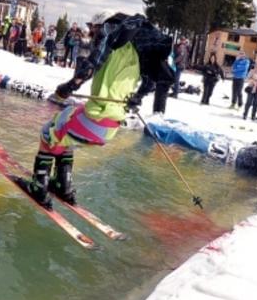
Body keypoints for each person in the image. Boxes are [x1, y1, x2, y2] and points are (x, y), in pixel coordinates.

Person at [28, 11, 174, 209]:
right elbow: (154, 81)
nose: (96, 32)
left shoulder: (111, 43)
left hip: (94, 120)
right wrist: (136, 98)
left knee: (47, 133)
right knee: (66, 128)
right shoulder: (138, 58)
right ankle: (63, 185)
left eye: (97, 28)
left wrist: (68, 87)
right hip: (110, 128)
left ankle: (39, 186)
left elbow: (90, 66)